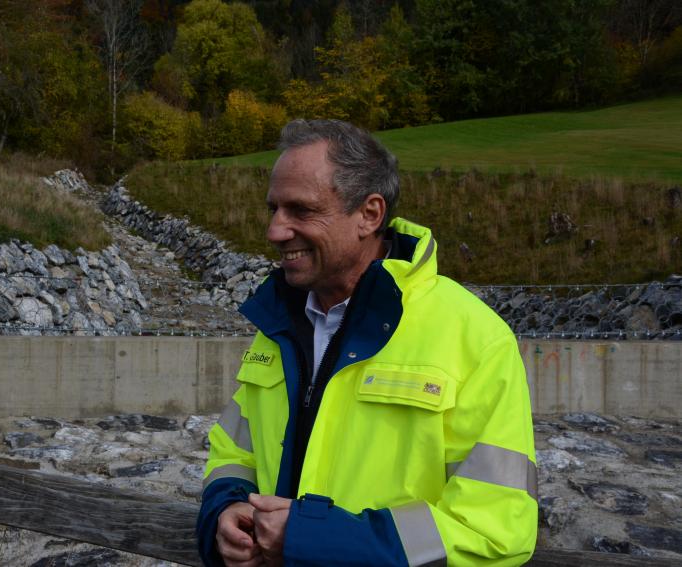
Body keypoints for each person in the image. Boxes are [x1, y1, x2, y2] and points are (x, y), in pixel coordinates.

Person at [197, 119, 537, 566]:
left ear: (369, 215)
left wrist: (314, 541)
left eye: (300, 210)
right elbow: (233, 454)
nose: (276, 231)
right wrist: (226, 511)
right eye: (273, 209)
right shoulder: (278, 325)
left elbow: (495, 533)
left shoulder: (475, 337)